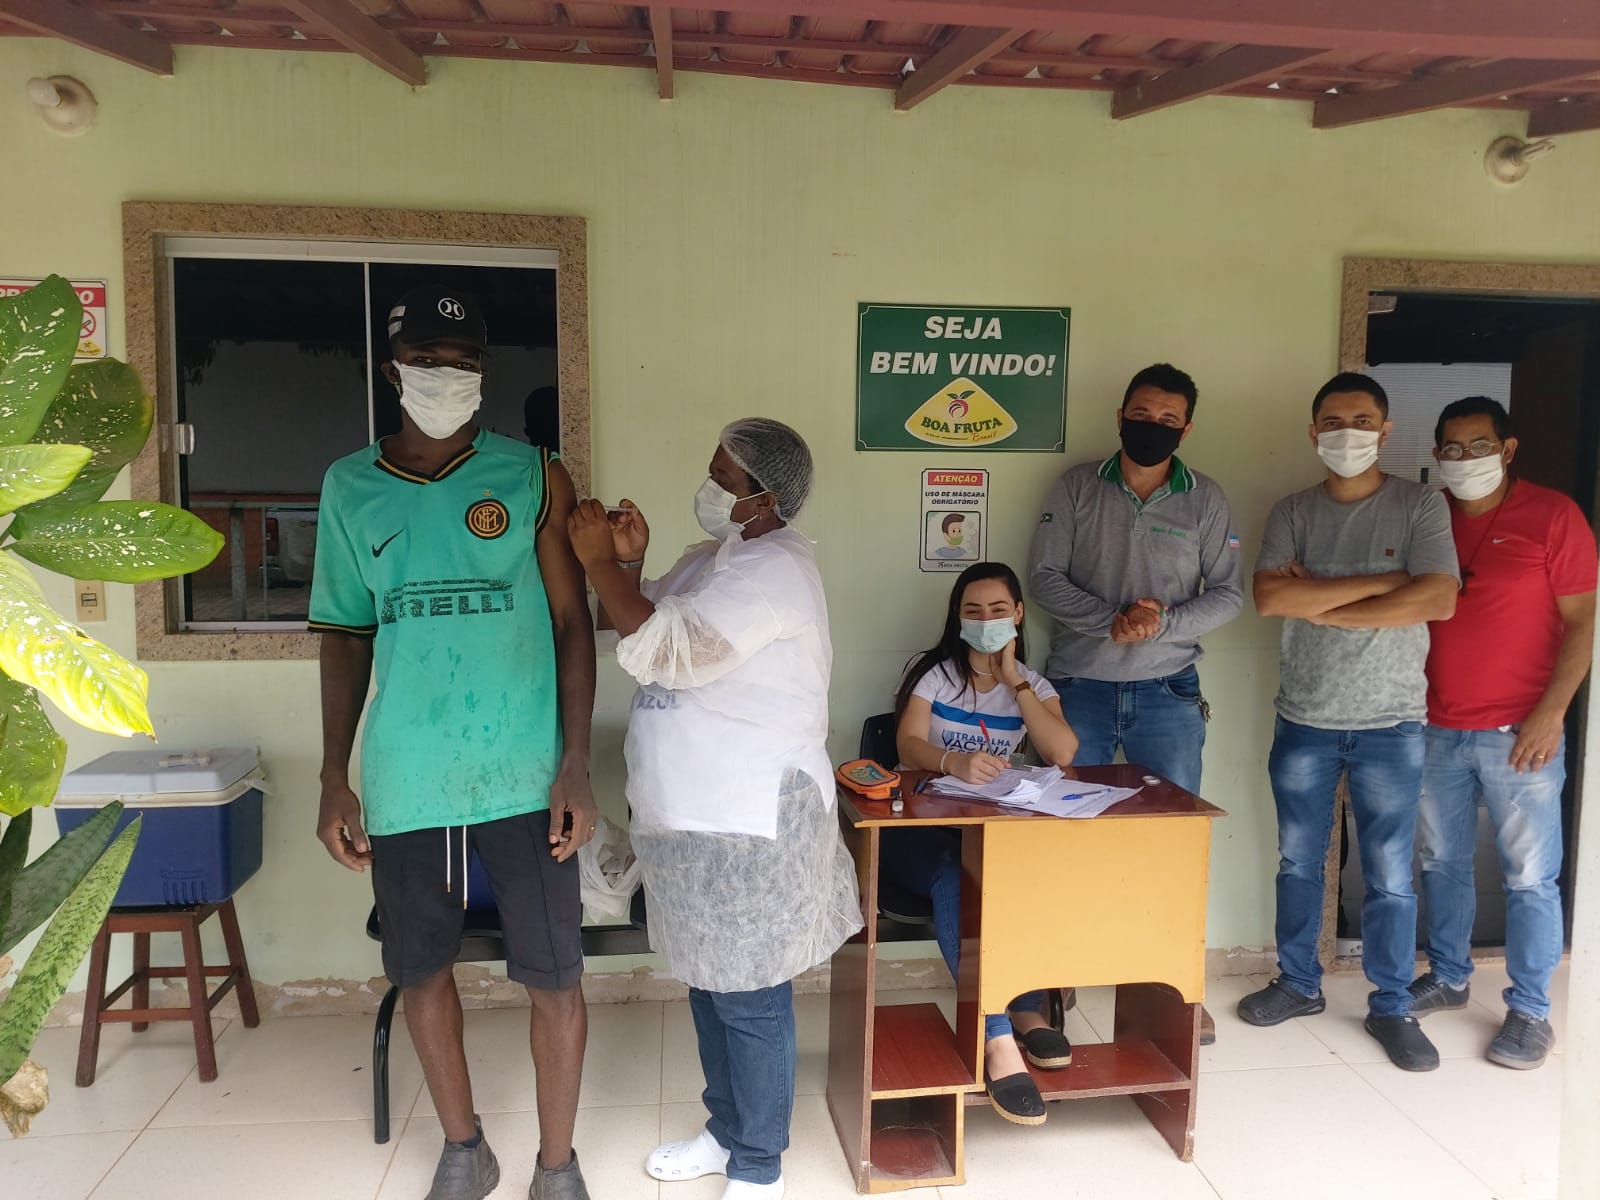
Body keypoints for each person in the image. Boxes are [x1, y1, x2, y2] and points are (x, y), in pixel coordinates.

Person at [310, 285, 597, 1200]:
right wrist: (334, 776)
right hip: (408, 776)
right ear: (392, 371)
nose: (447, 375)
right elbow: (345, 635)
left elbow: (572, 622)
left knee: (553, 975)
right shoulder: (349, 486)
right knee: (421, 969)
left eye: (465, 361)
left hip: (524, 772)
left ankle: (557, 1164)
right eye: (427, 360)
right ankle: (465, 1148)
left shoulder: (533, 475)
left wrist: (576, 764)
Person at [567, 418, 860, 1200]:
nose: (709, 489)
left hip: (749, 819)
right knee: (707, 982)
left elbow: (672, 651)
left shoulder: (777, 570)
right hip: (688, 814)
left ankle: (759, 1165)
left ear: (766, 497)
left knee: (750, 996)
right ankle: (726, 1130)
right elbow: (629, 621)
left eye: (723, 480)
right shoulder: (712, 558)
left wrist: (597, 562)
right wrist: (627, 564)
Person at [1241, 371, 1459, 1073]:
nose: (1347, 434)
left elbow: (1440, 599)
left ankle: (1391, 1004)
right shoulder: (1293, 511)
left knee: (1391, 874)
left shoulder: (1420, 504)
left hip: (1392, 723)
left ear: (1386, 431)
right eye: (1333, 422)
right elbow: (1270, 599)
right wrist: (1386, 584)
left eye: (1362, 421)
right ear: (1313, 432)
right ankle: (1298, 984)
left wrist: (1323, 602)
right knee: (1298, 861)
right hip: (1304, 719)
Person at [1027, 362, 1243, 1043]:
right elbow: (1043, 578)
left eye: (1168, 419)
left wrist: (1160, 624)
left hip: (1168, 692)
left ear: (1187, 428)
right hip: (1078, 688)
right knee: (1062, 834)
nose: (1153, 426)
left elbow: (1229, 593)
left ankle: (1170, 984)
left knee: (1173, 843)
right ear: (1120, 415)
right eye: (1142, 414)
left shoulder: (1206, 499)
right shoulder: (1077, 487)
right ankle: (1054, 973)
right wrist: (1111, 620)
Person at [1412, 396, 1596, 1070]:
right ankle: (1450, 976)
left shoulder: (1554, 516)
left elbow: (1583, 621)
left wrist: (1553, 711)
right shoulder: (1427, 515)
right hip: (1434, 726)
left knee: (1528, 876)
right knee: (1442, 861)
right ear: (1437, 455)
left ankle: (1531, 1011)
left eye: (1479, 445)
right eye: (1452, 449)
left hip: (1521, 729)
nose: (1465, 459)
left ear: (1508, 449)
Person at [884, 562, 1079, 1124]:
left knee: (1017, 874)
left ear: (1018, 614)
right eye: (973, 610)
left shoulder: (1032, 686)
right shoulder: (934, 675)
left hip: (991, 832)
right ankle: (996, 1036)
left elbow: (1062, 751)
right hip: (919, 835)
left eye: (998, 610)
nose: (986, 620)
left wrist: (1014, 679)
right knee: (957, 872)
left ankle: (1026, 1009)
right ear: (958, 617)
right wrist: (952, 761)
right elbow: (907, 743)